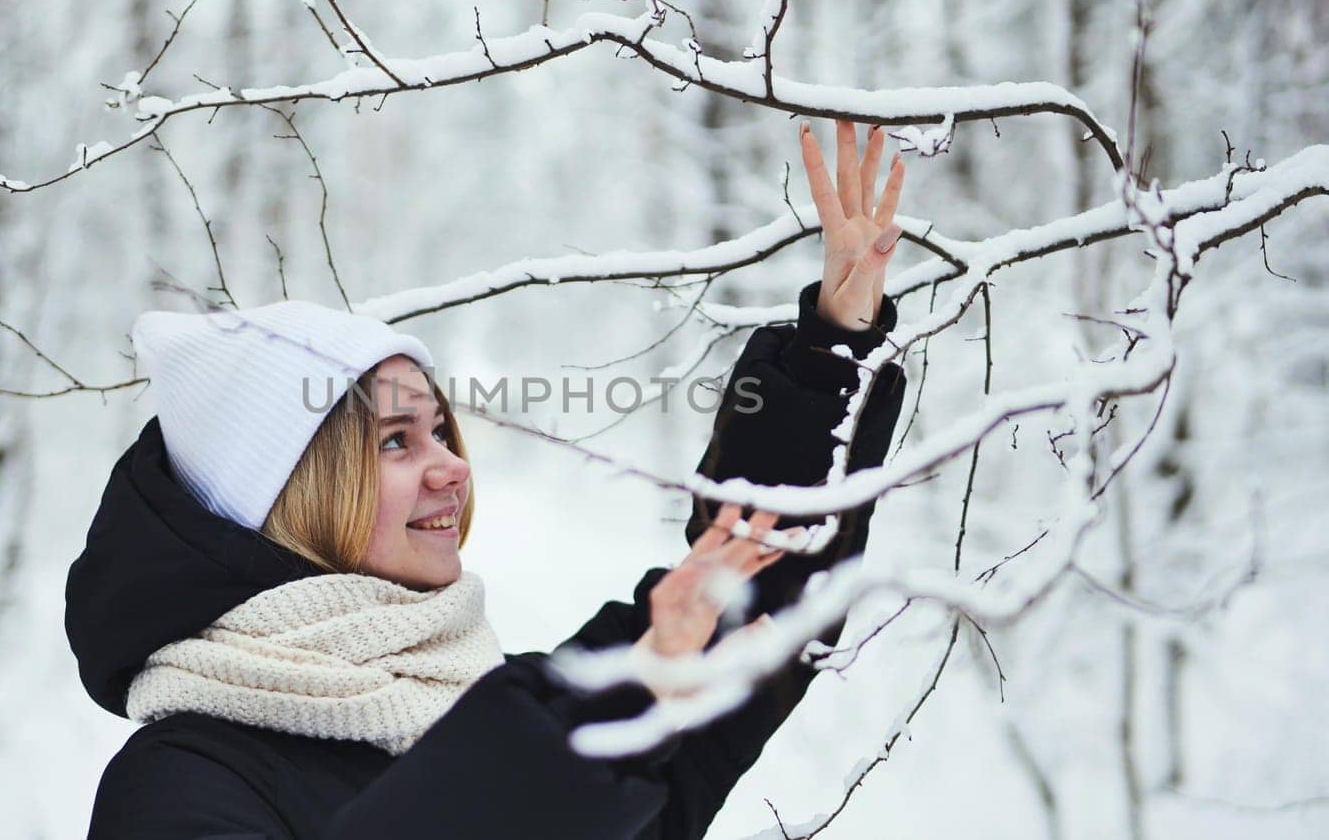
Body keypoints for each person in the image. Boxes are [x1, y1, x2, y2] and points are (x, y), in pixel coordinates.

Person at [65, 120, 908, 839]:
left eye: (439, 429)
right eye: (395, 443)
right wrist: (588, 724)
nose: (452, 467)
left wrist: (831, 351)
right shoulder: (178, 783)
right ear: (287, 495)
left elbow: (747, 595)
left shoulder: (490, 708)